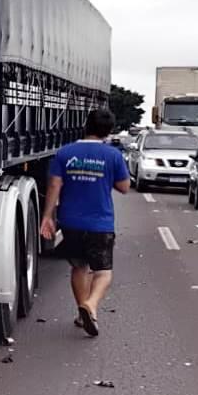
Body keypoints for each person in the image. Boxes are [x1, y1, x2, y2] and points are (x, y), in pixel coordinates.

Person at [40, 108, 131, 337]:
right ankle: (90, 305)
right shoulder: (113, 155)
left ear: (85, 125)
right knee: (103, 271)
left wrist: (47, 217)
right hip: (100, 222)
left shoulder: (64, 153)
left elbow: (54, 186)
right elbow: (124, 187)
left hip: (71, 221)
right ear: (109, 130)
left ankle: (83, 314)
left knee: (79, 266)